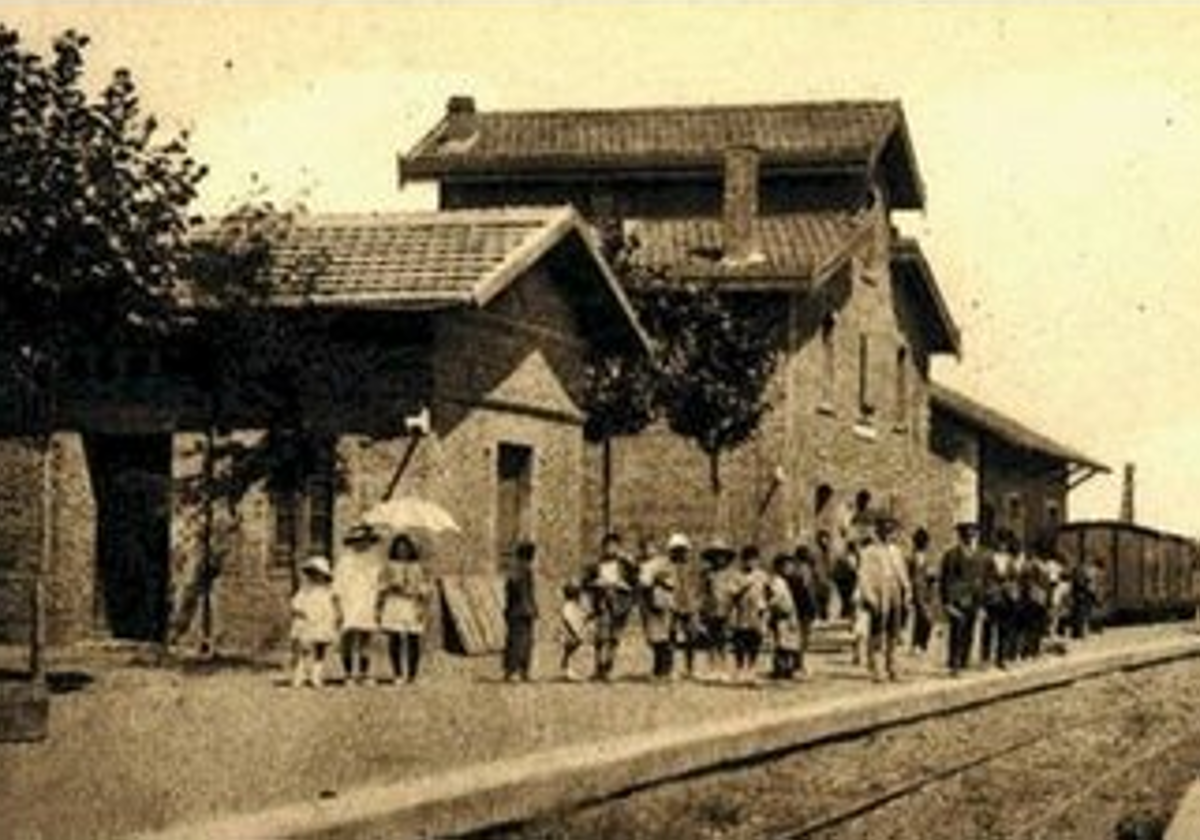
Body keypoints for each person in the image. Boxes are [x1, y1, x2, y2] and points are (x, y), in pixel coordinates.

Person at [856, 513, 912, 682]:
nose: (889, 534)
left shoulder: (896, 550)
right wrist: (870, 596)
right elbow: (863, 576)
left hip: (895, 590)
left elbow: (902, 572)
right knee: (877, 632)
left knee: (894, 632)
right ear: (878, 531)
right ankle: (877, 668)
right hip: (879, 592)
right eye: (885, 531)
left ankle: (893, 666)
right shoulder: (869, 551)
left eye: (891, 531)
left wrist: (907, 590)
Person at [378, 532, 434, 683]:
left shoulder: (417, 567)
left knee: (413, 638)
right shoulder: (388, 566)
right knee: (395, 638)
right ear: (394, 549)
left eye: (405, 548)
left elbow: (426, 587)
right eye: (399, 548)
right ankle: (397, 673)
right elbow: (380, 585)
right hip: (395, 603)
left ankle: (411, 674)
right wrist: (390, 586)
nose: (402, 551)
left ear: (411, 550)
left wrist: (419, 592)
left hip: (412, 604)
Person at [333, 523, 384, 685]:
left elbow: (378, 584)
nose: (361, 543)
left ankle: (363, 673)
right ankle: (348, 674)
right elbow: (337, 586)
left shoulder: (374, 561)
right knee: (347, 637)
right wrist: (338, 608)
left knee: (365, 638)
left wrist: (378, 605)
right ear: (352, 541)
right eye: (358, 540)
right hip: (349, 601)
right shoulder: (344, 561)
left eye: (365, 540)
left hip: (367, 601)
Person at [585, 532, 634, 681]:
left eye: (614, 546)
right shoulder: (596, 564)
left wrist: (624, 586)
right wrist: (596, 584)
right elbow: (585, 582)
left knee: (614, 637)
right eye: (607, 546)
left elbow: (635, 581)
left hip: (620, 603)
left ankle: (609, 667)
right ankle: (598, 666)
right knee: (600, 636)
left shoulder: (625, 565)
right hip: (602, 604)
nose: (610, 549)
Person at [940, 521, 984, 676]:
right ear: (961, 535)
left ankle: (965, 660)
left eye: (973, 533)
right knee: (956, 630)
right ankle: (954, 662)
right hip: (958, 599)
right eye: (967, 533)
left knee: (969, 630)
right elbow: (946, 579)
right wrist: (947, 602)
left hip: (972, 598)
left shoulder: (978, 555)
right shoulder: (952, 555)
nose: (970, 536)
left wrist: (980, 600)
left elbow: (979, 579)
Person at [289, 555, 340, 688]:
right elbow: (296, 603)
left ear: (324, 575)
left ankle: (316, 674)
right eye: (312, 573)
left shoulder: (329, 590)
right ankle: (300, 673)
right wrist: (299, 612)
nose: (315, 577)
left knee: (320, 647)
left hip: (323, 620)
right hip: (308, 620)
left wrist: (337, 616)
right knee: (304, 648)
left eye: (318, 573)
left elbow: (335, 603)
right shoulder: (305, 588)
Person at [728, 545, 771, 684]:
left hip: (756, 614)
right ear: (742, 560)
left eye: (753, 560)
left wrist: (765, 606)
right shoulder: (736, 575)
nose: (750, 563)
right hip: (741, 613)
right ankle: (740, 669)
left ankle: (752, 669)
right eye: (747, 560)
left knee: (755, 641)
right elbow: (731, 594)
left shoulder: (762, 575)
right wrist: (743, 587)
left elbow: (769, 591)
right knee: (740, 642)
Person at [666, 532, 704, 678]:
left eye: (683, 550)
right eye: (677, 550)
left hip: (690, 606)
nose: (680, 553)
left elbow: (699, 587)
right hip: (673, 605)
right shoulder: (668, 566)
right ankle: (671, 667)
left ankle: (690, 667)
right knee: (672, 637)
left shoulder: (693, 569)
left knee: (691, 638)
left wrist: (697, 603)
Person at [699, 539, 737, 680]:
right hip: (711, 610)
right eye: (716, 556)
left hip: (726, 609)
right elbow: (703, 592)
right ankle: (712, 667)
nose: (719, 559)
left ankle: (724, 668)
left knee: (723, 640)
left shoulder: (731, 574)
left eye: (722, 556)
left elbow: (735, 592)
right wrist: (701, 611)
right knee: (711, 640)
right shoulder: (707, 574)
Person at [638, 538, 675, 680]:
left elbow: (670, 581)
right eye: (645, 548)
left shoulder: (664, 562)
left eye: (650, 547)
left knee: (664, 638)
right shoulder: (642, 564)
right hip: (649, 604)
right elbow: (642, 582)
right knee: (654, 638)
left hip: (662, 603)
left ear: (655, 548)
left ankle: (666, 670)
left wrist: (657, 579)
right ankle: (658, 669)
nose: (648, 550)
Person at [502, 541, 539, 681]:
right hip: (521, 611)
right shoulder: (521, 570)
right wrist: (531, 608)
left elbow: (513, 591)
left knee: (521, 642)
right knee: (520, 642)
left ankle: (518, 671)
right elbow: (520, 592)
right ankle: (515, 671)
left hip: (519, 611)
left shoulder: (518, 570)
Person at [767, 553, 803, 679]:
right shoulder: (776, 582)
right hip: (781, 617)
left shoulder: (784, 582)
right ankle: (781, 669)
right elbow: (774, 599)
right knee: (782, 644)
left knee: (789, 643)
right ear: (779, 567)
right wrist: (779, 609)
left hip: (787, 617)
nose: (790, 569)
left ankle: (787, 668)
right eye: (787, 566)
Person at [907, 527, 937, 654]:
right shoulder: (910, 557)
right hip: (916, 590)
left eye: (924, 541)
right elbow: (907, 574)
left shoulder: (930, 557)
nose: (922, 544)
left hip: (928, 590)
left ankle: (922, 643)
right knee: (922, 616)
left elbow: (934, 573)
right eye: (919, 541)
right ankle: (916, 643)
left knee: (927, 618)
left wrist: (933, 576)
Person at [559, 581, 591, 681]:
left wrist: (588, 617)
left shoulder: (574, 606)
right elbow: (568, 620)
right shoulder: (568, 606)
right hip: (571, 634)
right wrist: (575, 633)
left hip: (576, 633)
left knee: (572, 654)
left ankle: (571, 672)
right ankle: (569, 673)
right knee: (571, 654)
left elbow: (581, 618)